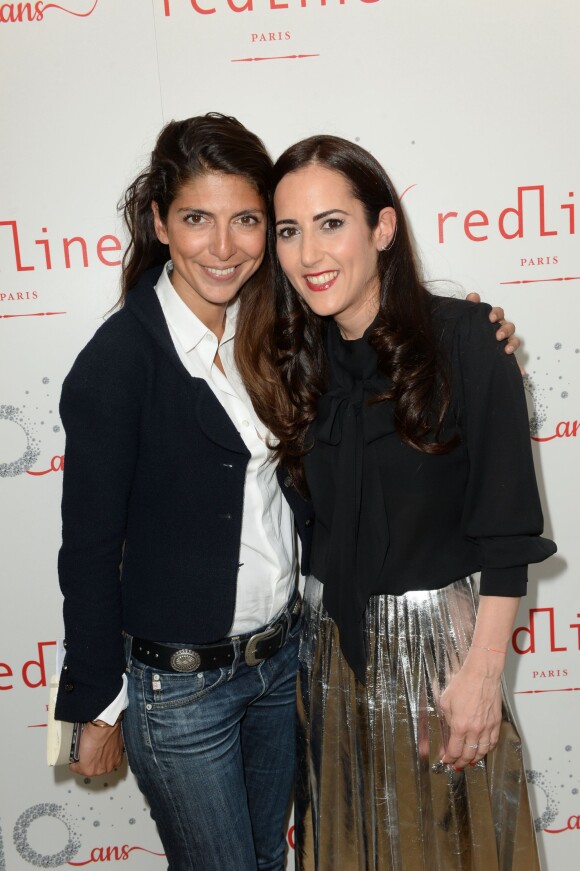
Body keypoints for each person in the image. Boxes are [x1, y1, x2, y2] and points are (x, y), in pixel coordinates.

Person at [55, 114, 520, 871]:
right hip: (182, 689)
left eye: (247, 221)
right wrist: (93, 703)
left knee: (276, 858)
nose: (224, 246)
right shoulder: (119, 362)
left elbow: (390, 342)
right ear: (159, 223)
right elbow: (88, 549)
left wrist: (474, 336)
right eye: (196, 219)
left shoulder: (277, 331)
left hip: (287, 663)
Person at [243, 135, 557, 871]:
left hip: (441, 655)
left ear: (381, 229)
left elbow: (508, 534)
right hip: (325, 655)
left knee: (459, 848)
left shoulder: (469, 344)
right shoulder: (289, 363)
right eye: (289, 230)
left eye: (331, 223)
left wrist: (482, 677)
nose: (309, 252)